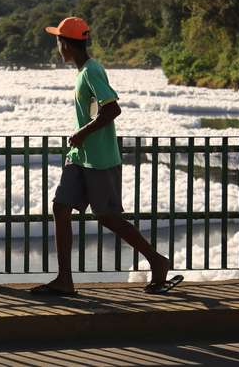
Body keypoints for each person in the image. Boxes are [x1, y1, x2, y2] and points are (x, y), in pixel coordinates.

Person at [31, 16, 182, 296]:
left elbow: (112, 109)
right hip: (80, 156)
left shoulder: (91, 71)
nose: (57, 48)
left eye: (58, 42)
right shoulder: (83, 72)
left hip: (98, 157)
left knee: (108, 217)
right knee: (61, 207)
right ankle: (65, 279)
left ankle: (157, 261)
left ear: (65, 44)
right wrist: (80, 140)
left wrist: (83, 133)